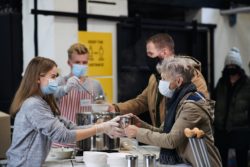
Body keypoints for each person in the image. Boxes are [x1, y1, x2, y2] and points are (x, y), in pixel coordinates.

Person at [6, 57, 123, 167]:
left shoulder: (44, 102)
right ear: (37, 78)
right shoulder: (33, 105)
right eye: (52, 77)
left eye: (56, 76)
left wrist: (101, 126)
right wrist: (100, 128)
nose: (55, 81)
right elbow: (63, 135)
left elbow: (70, 127)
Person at [124, 57, 222, 166]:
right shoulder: (177, 101)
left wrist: (137, 133)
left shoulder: (192, 106)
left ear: (179, 81)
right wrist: (140, 125)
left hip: (202, 163)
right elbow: (163, 132)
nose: (161, 83)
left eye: (164, 79)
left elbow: (171, 140)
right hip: (188, 162)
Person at [111, 33, 209, 127]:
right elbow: (142, 102)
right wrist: (115, 108)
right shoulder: (155, 77)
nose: (147, 58)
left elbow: (198, 110)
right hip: (163, 139)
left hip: (183, 139)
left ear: (165, 52)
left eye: (151, 54)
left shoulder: (189, 74)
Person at [213, 47, 250, 167]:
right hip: (221, 129)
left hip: (241, 130)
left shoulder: (247, 84)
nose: (231, 67)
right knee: (220, 160)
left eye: (234, 64)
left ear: (239, 66)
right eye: (228, 65)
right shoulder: (221, 83)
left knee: (242, 160)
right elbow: (213, 101)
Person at [56, 43, 104, 123]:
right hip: (65, 133)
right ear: (69, 63)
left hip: (88, 132)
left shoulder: (95, 85)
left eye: (84, 62)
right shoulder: (59, 82)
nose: (81, 65)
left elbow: (101, 110)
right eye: (77, 62)